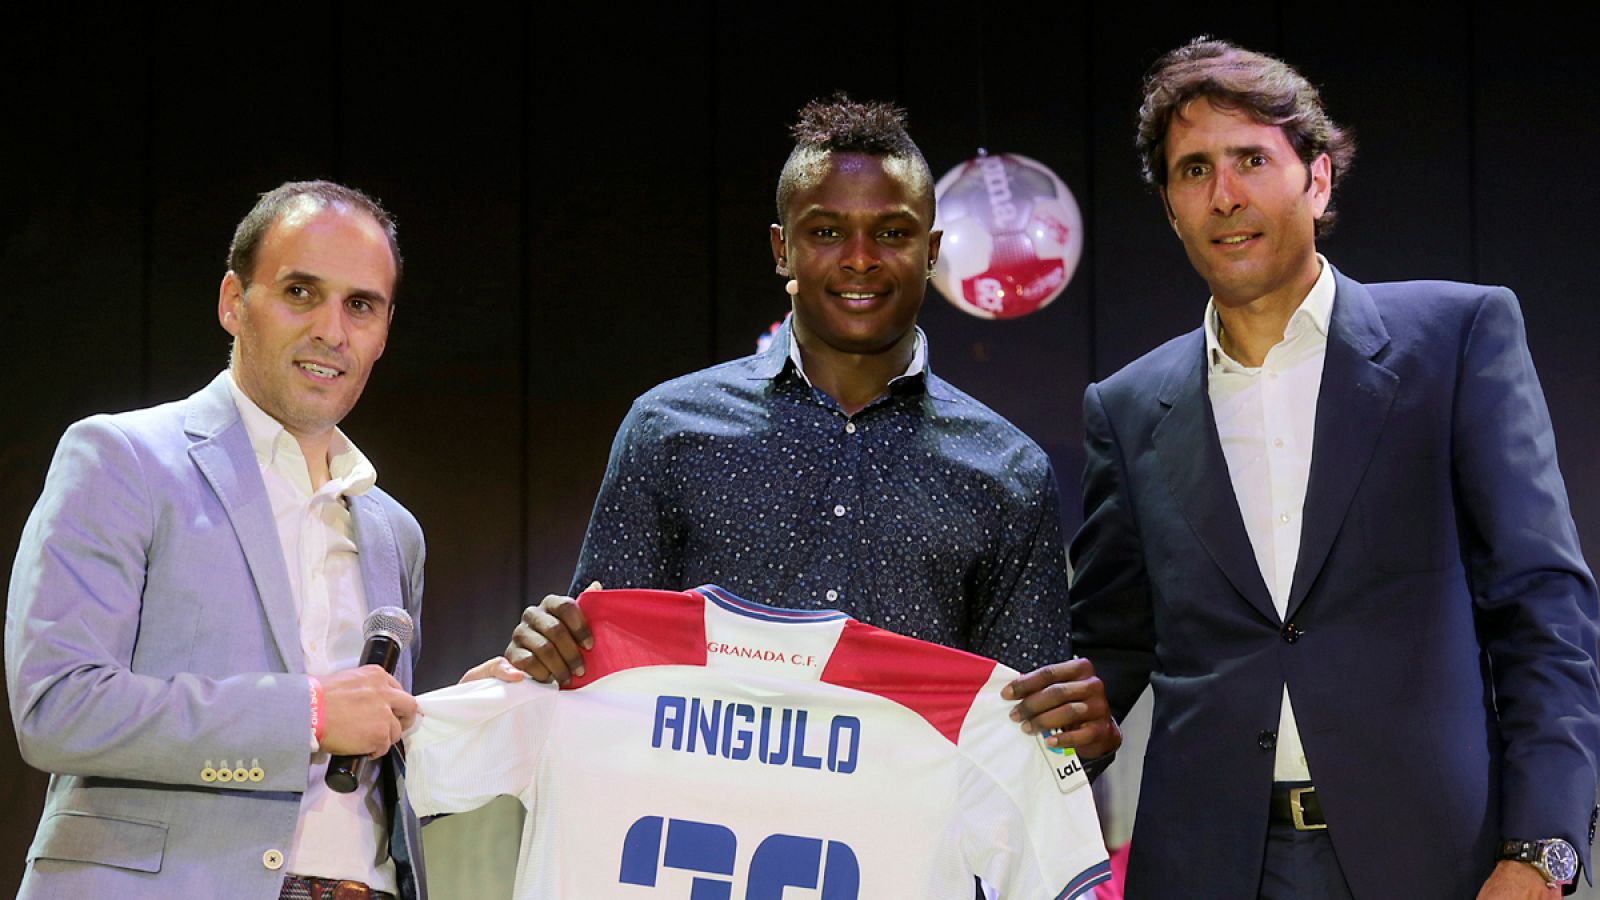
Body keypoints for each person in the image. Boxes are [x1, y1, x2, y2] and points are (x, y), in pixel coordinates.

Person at [1067, 38, 1600, 899]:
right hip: (1204, 870)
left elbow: (1544, 609)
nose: (1225, 194)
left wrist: (1543, 849)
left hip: (1436, 861)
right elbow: (1110, 648)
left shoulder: (1456, 340)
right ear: (1170, 207)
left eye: (1251, 159)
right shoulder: (1126, 408)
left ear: (1317, 179)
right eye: (1194, 170)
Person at [504, 95, 1118, 758]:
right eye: (826, 232)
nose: (860, 258)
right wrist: (550, 654)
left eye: (893, 233)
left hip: (910, 825)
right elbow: (597, 685)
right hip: (694, 818)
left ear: (932, 250)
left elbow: (1031, 744)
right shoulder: (669, 430)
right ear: (782, 248)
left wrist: (1080, 742)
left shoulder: (1006, 472)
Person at [6, 181, 428, 900]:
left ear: (384, 331)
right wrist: (309, 713)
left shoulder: (394, 530)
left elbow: (372, 757)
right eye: (300, 292)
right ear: (234, 301)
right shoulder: (122, 459)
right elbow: (58, 707)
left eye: (360, 305)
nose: (332, 330)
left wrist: (461, 716)